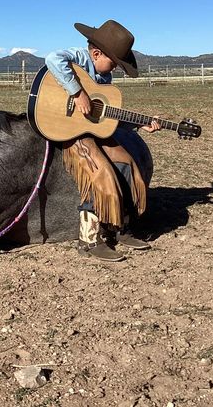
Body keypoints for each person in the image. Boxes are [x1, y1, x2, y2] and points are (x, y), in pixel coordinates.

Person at [45, 19, 160, 262]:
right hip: (69, 129)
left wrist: (141, 123)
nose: (116, 68)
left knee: (127, 163)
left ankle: (120, 227)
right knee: (99, 170)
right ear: (96, 53)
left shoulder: (105, 82)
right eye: (114, 63)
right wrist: (77, 93)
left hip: (92, 130)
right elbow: (53, 59)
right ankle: (88, 241)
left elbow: (108, 117)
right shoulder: (78, 57)